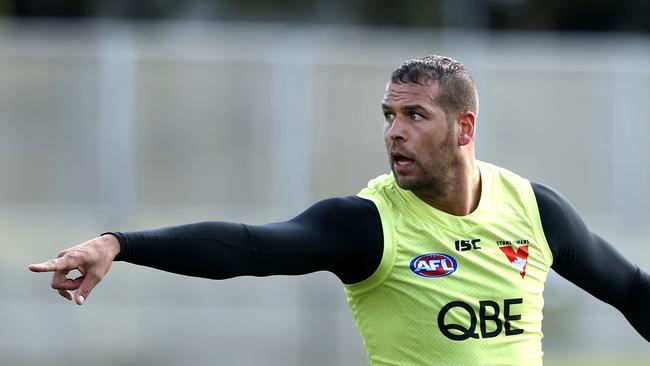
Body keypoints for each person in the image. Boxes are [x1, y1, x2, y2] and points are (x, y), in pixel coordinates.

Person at [30, 55, 650, 365]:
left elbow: (630, 289)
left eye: (414, 116)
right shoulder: (366, 223)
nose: (393, 133)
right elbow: (248, 247)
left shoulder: (533, 208)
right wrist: (121, 243)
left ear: (464, 127)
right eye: (388, 116)